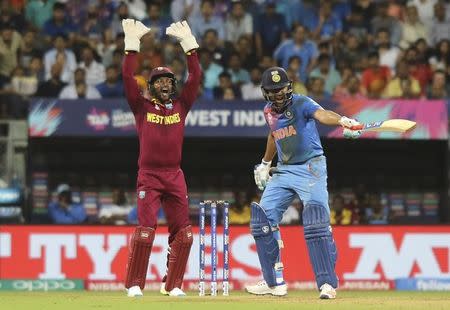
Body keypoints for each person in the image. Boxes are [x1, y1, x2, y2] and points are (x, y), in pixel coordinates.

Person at [246, 66, 362, 299]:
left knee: (316, 222)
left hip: (311, 168)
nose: (278, 95)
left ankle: (327, 284)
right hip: (284, 170)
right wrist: (265, 163)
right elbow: (272, 134)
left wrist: (342, 121)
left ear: (289, 88)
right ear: (265, 92)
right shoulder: (268, 111)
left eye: (282, 90)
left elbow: (322, 114)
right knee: (262, 221)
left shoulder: (302, 103)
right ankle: (274, 282)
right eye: (273, 91)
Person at [121, 19, 201, 297]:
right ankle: (134, 284)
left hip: (175, 175)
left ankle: (173, 284)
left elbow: (196, 77)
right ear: (152, 86)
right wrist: (131, 46)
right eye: (159, 81)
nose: (165, 85)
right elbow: (128, 79)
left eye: (169, 80)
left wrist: (189, 46)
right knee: (145, 231)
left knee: (185, 234)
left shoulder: (182, 105)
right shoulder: (141, 107)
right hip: (149, 176)